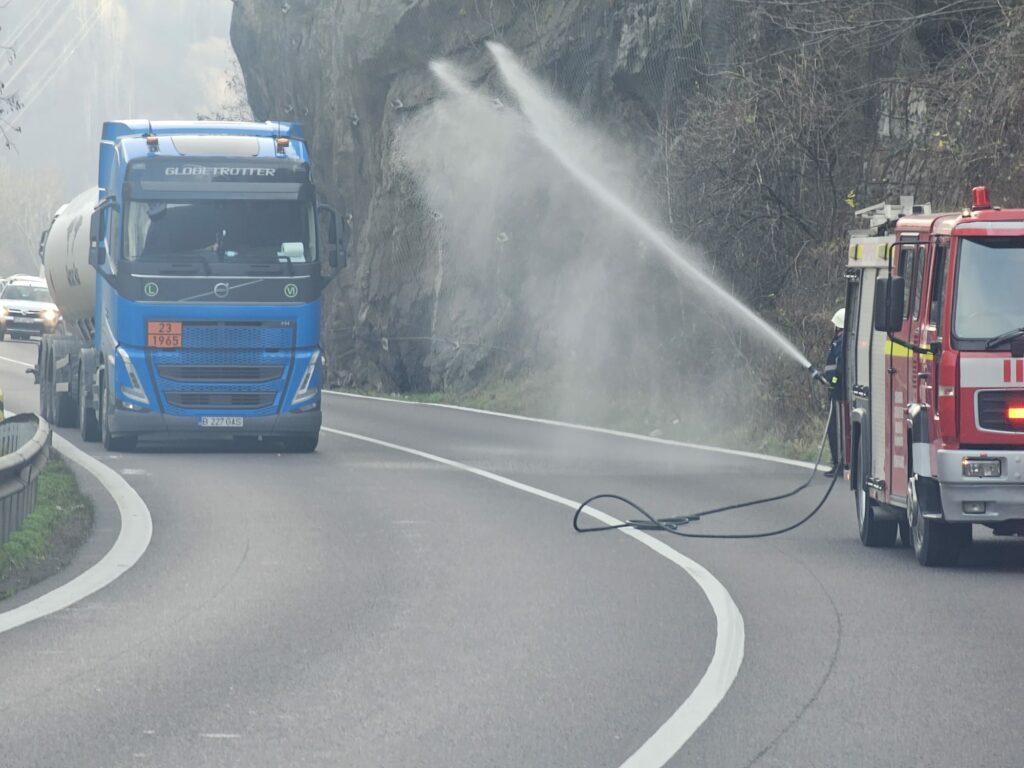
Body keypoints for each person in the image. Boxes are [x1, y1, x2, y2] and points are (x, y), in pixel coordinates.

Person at [823, 308, 846, 477]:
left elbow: (839, 369)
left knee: (836, 430)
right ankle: (838, 462)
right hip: (836, 391)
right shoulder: (839, 341)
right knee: (835, 429)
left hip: (838, 394)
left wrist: (833, 383)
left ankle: (838, 464)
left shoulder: (841, 343)